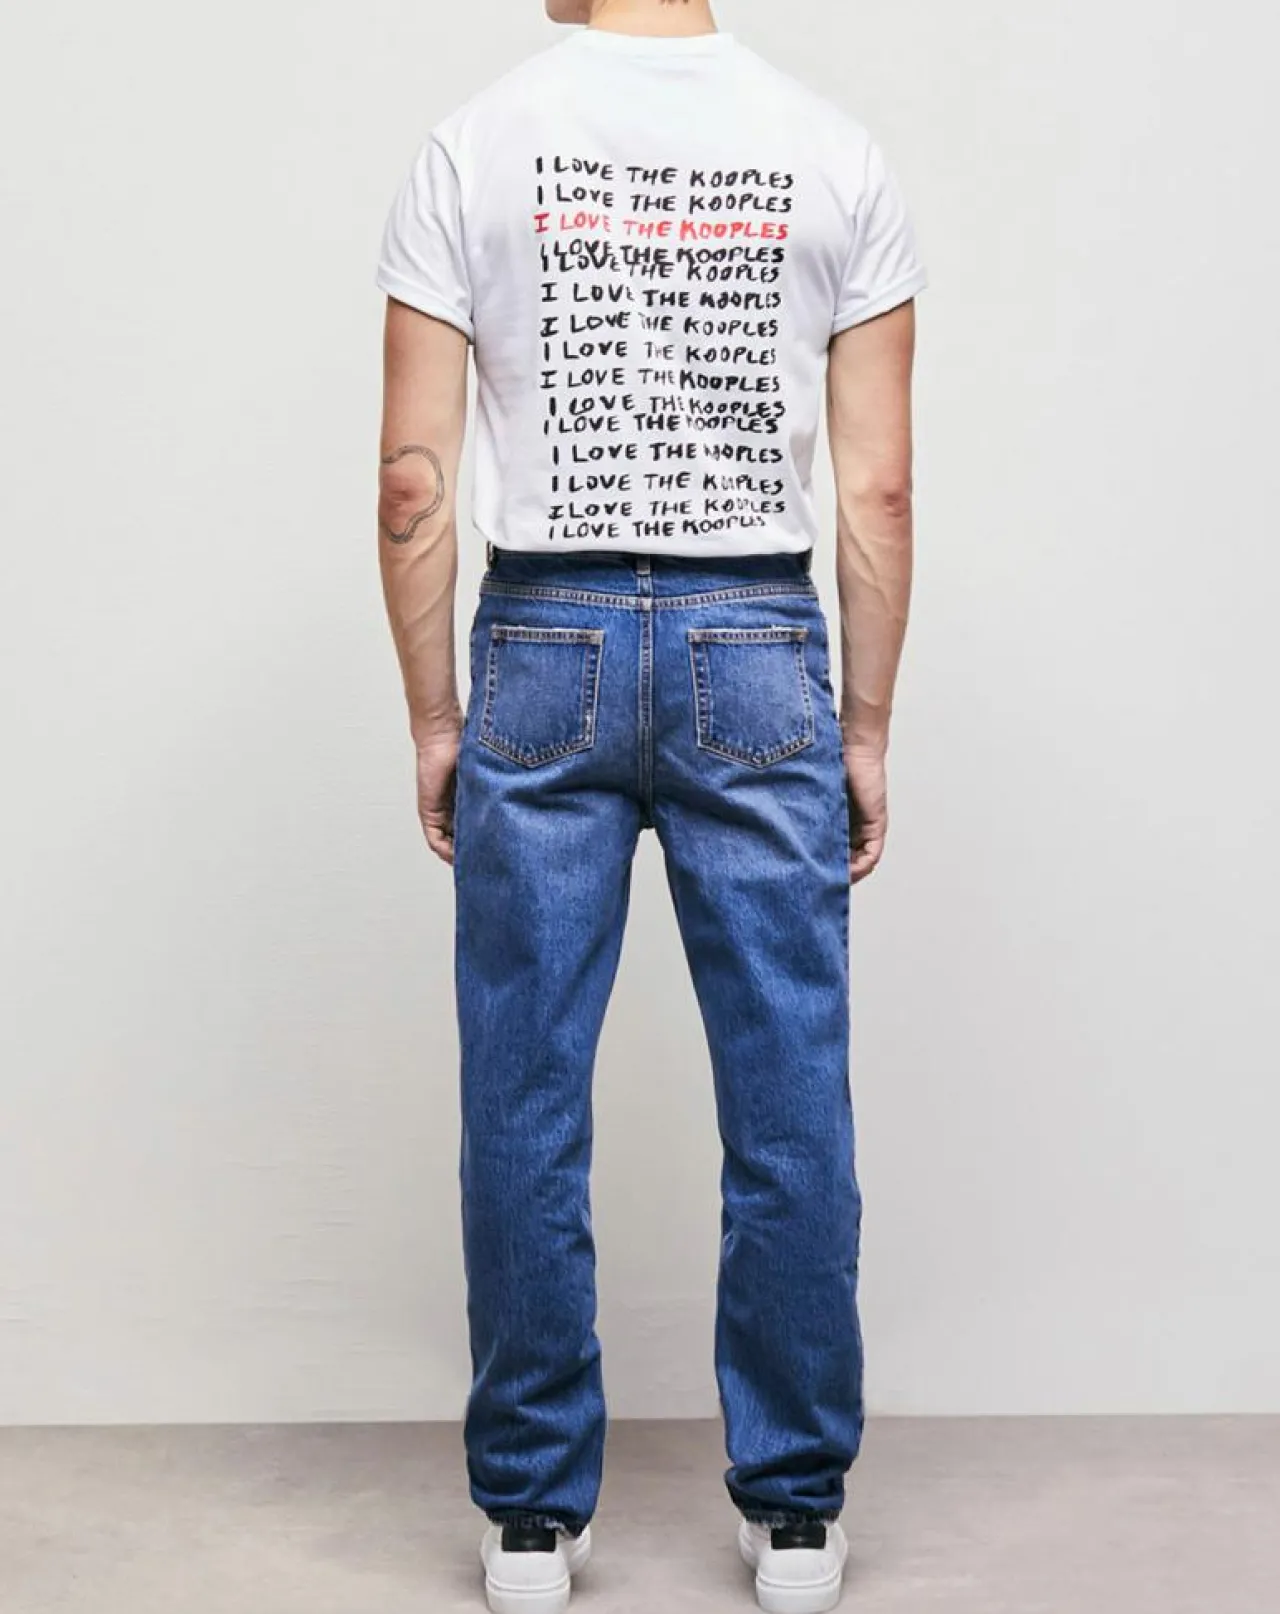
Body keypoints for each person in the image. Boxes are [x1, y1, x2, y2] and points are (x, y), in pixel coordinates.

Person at [374, 1, 924, 1609]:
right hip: (756, 638)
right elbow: (878, 491)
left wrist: (434, 715)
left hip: (541, 636)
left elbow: (413, 480)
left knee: (523, 1089)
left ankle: (531, 1520)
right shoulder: (836, 151)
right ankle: (797, 1514)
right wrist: (865, 725)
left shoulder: (472, 143)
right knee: (788, 1086)